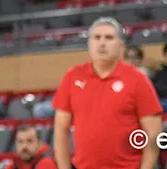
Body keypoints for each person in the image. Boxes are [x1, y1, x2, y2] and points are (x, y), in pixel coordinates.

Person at [53, 17, 161, 169]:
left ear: (121, 45)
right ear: (89, 44)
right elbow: (60, 130)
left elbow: (153, 134)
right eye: (97, 37)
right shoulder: (72, 76)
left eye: (109, 37)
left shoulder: (138, 79)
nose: (102, 43)